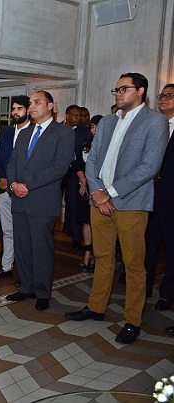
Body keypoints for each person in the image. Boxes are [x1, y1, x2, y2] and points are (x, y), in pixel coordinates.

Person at [65, 73, 169, 345]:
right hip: (99, 202)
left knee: (134, 264)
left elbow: (149, 167)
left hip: (131, 202)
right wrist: (98, 193)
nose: (118, 93)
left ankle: (132, 320)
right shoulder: (108, 121)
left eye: (124, 88)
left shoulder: (155, 121)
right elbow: (92, 160)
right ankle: (96, 307)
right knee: (102, 257)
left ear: (141, 91)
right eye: (117, 89)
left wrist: (108, 192)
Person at [6, 90, 74, 311]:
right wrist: (14, 183)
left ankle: (43, 292)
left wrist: (28, 184)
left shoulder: (63, 133)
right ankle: (26, 287)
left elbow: (59, 167)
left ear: (51, 106)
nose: (32, 106)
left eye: (37, 102)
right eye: (31, 103)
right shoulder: (25, 132)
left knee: (41, 248)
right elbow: (12, 162)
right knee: (23, 247)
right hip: (20, 199)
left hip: (42, 201)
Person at [0, 96, 31, 282]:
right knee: (7, 231)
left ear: (28, 110)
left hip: (24, 191)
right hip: (4, 190)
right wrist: (4, 180)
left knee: (24, 233)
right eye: (13, 108)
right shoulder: (6, 132)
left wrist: (14, 182)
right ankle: (6, 267)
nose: (15, 112)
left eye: (19, 108)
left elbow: (32, 165)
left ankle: (23, 272)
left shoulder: (35, 132)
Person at [145, 84, 174, 309]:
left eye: (169, 96)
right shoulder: (154, 125)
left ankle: (167, 294)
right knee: (146, 245)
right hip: (148, 196)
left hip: (171, 199)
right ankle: (142, 289)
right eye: (162, 95)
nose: (163, 99)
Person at [76, 114, 102, 272]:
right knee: (86, 222)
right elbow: (79, 164)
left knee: (99, 224)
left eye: (97, 127)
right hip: (85, 188)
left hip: (101, 190)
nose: (94, 130)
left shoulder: (109, 145)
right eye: (92, 127)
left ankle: (97, 257)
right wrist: (83, 181)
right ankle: (87, 255)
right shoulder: (86, 145)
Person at [63, 104, 90, 250]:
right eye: (76, 115)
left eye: (80, 115)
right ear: (67, 116)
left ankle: (76, 236)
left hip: (75, 173)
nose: (79, 118)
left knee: (74, 203)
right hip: (57, 172)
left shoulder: (84, 132)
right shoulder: (56, 128)